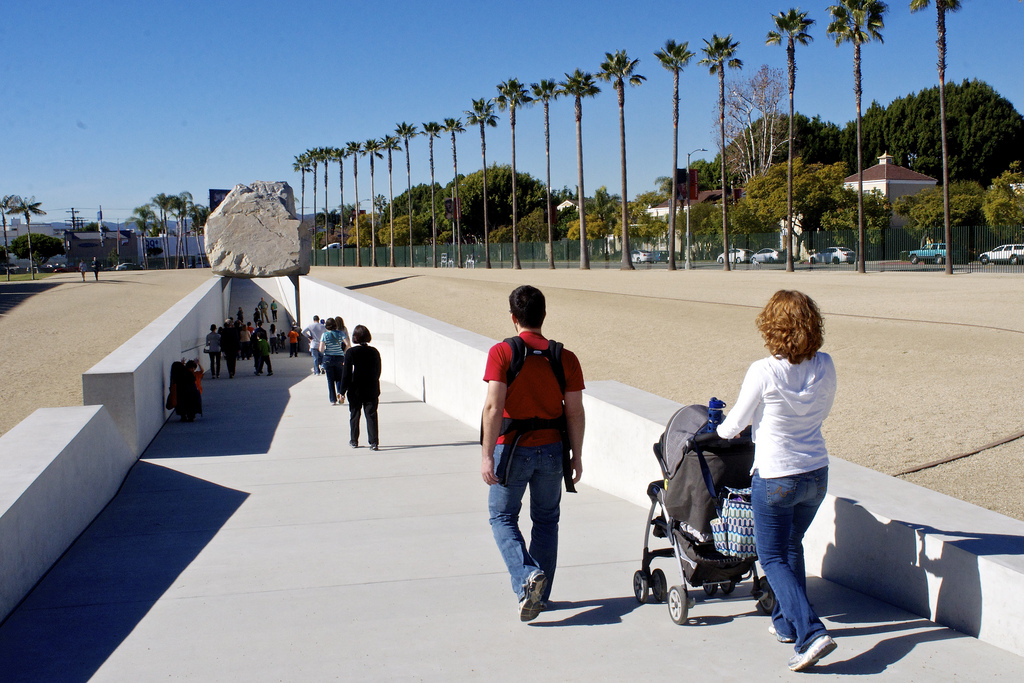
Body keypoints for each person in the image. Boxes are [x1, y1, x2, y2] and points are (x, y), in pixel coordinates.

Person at [715, 290, 837, 672]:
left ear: (772, 327)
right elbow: (823, 410)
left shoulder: (764, 370)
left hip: (777, 476)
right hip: (816, 472)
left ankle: (811, 632)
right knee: (791, 545)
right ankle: (785, 622)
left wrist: (721, 430)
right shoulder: (826, 365)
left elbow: (734, 424)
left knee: (771, 556)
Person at [481, 285, 585, 622]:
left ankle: (528, 579)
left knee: (502, 517)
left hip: (511, 451)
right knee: (546, 521)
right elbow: (575, 412)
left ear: (514, 318)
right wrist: (577, 456)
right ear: (543, 315)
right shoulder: (564, 357)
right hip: (553, 450)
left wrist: (485, 456)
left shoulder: (502, 353)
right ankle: (539, 594)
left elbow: (494, 407)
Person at [340, 325, 381, 450]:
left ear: (355, 338)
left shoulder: (351, 352)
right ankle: (374, 442)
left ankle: (354, 440)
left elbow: (346, 373)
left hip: (355, 389)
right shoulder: (374, 351)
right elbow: (378, 371)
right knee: (371, 415)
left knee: (354, 414)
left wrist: (342, 390)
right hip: (371, 388)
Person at [320, 318, 347, 405]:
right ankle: (340, 394)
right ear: (335, 325)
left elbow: (321, 349)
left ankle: (333, 400)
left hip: (328, 358)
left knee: (330, 380)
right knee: (339, 378)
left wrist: (326, 351)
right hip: (339, 357)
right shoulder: (340, 333)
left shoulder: (325, 335)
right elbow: (348, 344)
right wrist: (343, 352)